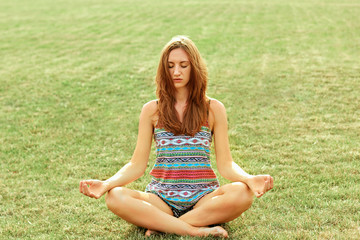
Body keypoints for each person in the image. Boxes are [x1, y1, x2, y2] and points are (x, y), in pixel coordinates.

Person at [79, 35, 274, 238]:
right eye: (170, 66)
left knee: (243, 193)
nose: (177, 72)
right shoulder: (151, 110)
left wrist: (249, 179)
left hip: (204, 199)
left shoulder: (213, 109)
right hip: (161, 200)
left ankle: (162, 225)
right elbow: (136, 165)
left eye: (183, 65)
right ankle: (194, 229)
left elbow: (226, 164)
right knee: (115, 197)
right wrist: (107, 183)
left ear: (194, 67)